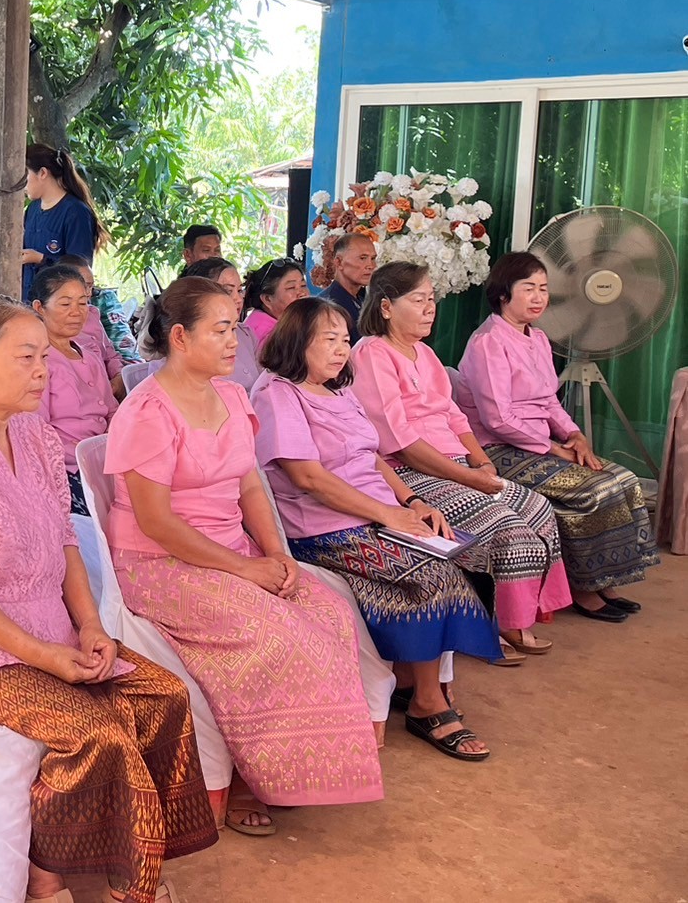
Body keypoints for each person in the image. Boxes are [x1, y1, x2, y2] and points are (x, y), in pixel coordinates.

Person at [0, 298, 217, 903]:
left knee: (164, 696)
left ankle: (128, 856)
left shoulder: (35, 434)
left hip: (50, 629)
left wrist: (90, 626)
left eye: (44, 356)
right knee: (99, 732)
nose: (43, 370)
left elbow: (66, 542)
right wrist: (46, 656)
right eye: (26, 357)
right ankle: (48, 872)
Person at [106, 277, 383, 833]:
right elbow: (157, 524)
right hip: (162, 566)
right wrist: (246, 568)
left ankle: (286, 769)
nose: (236, 341)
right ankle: (239, 782)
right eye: (222, 329)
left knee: (326, 612)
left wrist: (277, 555)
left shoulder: (232, 395)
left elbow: (251, 486)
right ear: (180, 337)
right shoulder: (147, 412)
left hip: (234, 551)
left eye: (235, 327)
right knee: (277, 636)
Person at [251, 298, 501, 762]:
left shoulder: (339, 389)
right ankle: (428, 703)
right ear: (295, 341)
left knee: (465, 555)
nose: (341, 350)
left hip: (379, 515)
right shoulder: (277, 393)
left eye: (345, 339)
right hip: (324, 528)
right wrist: (387, 516)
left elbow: (371, 457)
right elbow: (308, 478)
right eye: (328, 340)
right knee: (432, 575)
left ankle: (416, 679)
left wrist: (412, 501)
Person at [350, 261, 571, 661]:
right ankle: (498, 628)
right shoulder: (372, 354)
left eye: (431, 299)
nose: (430, 308)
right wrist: (469, 478)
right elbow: (399, 440)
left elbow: (454, 415)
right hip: (409, 472)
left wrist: (482, 463)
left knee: (537, 508)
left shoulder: (425, 353)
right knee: (506, 526)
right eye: (418, 300)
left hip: (455, 465)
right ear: (385, 307)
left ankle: (522, 614)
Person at [458, 252, 659, 622]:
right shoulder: (488, 343)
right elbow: (498, 418)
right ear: (503, 294)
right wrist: (552, 448)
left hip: (540, 443)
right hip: (498, 449)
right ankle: (583, 588)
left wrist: (575, 434)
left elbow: (549, 400)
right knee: (593, 489)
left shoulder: (537, 338)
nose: (539, 297)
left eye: (544, 289)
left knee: (624, 480)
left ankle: (606, 579)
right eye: (528, 289)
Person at [30, 264, 118, 516]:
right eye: (65, 304)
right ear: (39, 308)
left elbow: (112, 410)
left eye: (82, 303)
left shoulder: (90, 356)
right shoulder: (38, 361)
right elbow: (37, 430)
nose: (77, 313)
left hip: (105, 459)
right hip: (67, 468)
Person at [131, 258, 260, 394]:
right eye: (227, 291)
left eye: (240, 290)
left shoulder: (246, 334)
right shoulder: (171, 366)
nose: (238, 299)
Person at [21, 144, 108, 301]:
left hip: (60, 304)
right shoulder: (32, 209)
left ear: (42, 173)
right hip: (29, 300)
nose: (22, 185)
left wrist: (42, 259)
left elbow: (80, 270)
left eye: (24, 175)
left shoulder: (76, 212)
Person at [58, 253, 137, 378]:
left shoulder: (92, 315)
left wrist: (118, 376)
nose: (89, 293)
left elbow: (110, 354)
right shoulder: (51, 323)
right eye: (85, 286)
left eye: (91, 286)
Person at [318, 233, 377, 341]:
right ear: (339, 262)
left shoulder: (365, 298)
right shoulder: (327, 305)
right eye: (362, 258)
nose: (371, 266)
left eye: (373, 258)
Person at [240, 257, 308, 349]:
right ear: (267, 299)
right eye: (291, 287)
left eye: (303, 285)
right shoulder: (268, 336)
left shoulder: (285, 324)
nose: (302, 293)